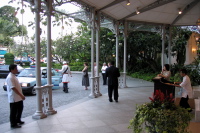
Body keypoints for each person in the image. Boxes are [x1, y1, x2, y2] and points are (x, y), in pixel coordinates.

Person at [6, 64, 25, 128]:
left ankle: (18, 120)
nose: (17, 70)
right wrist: (21, 95)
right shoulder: (10, 77)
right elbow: (13, 88)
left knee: (20, 108)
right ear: (12, 70)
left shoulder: (14, 76)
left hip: (18, 97)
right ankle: (13, 123)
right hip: (14, 97)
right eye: (15, 69)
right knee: (13, 111)